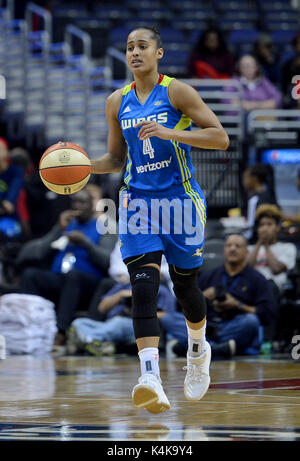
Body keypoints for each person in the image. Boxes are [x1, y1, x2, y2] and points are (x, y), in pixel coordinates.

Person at [90, 26, 229, 414]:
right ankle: (149, 375)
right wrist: (81, 167)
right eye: (130, 47)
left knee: (186, 288)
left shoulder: (177, 92)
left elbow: (220, 138)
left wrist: (171, 132)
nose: (134, 52)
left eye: (142, 46)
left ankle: (199, 351)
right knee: (144, 286)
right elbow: (116, 160)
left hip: (180, 201)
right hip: (136, 203)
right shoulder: (117, 101)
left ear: (159, 53)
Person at [18, 188, 117, 346]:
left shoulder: (103, 226)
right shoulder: (67, 223)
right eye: (75, 202)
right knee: (31, 275)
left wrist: (85, 243)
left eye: (82, 202)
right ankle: (28, 327)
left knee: (73, 276)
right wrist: (59, 228)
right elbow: (36, 253)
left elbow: (108, 262)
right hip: (62, 278)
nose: (77, 206)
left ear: (92, 205)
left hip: (89, 283)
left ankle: (61, 331)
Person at [159, 234, 277, 359]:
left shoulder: (257, 279)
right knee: (169, 319)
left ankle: (199, 348)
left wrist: (238, 305)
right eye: (229, 246)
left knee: (251, 321)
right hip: (205, 326)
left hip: (233, 326)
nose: (232, 249)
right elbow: (183, 304)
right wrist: (201, 297)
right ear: (224, 250)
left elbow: (266, 313)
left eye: (238, 246)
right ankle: (217, 349)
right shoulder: (209, 275)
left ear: (246, 251)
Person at [67, 278, 177, 356]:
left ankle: (90, 339)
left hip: (136, 325)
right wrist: (120, 295)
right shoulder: (121, 287)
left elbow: (168, 315)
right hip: (109, 323)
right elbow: (101, 309)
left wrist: (139, 312)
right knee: (79, 322)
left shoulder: (160, 288)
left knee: (119, 322)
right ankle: (96, 342)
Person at [248, 204, 297, 293]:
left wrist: (266, 244)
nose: (265, 228)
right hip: (251, 289)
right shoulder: (250, 249)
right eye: (262, 225)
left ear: (277, 228)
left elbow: (276, 269)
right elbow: (246, 269)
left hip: (275, 290)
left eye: (269, 224)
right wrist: (259, 243)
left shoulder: (288, 247)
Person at [242, 163, 277, 241]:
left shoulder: (259, 199)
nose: (243, 182)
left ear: (254, 178)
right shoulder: (256, 196)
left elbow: (252, 228)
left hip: (257, 241)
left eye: (245, 178)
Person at [0, 138, 24, 241]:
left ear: (7, 152)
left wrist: (6, 204)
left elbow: (9, 205)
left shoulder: (16, 172)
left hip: (10, 219)